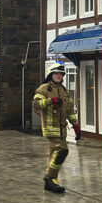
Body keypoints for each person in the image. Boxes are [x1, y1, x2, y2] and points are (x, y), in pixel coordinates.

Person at [33, 63, 81, 193]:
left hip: (62, 128)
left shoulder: (64, 90)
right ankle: (49, 177)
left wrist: (75, 125)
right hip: (51, 127)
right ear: (51, 75)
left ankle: (51, 181)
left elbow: (70, 110)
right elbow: (36, 104)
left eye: (60, 74)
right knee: (62, 151)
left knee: (55, 153)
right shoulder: (43, 89)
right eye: (56, 73)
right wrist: (50, 101)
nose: (58, 76)